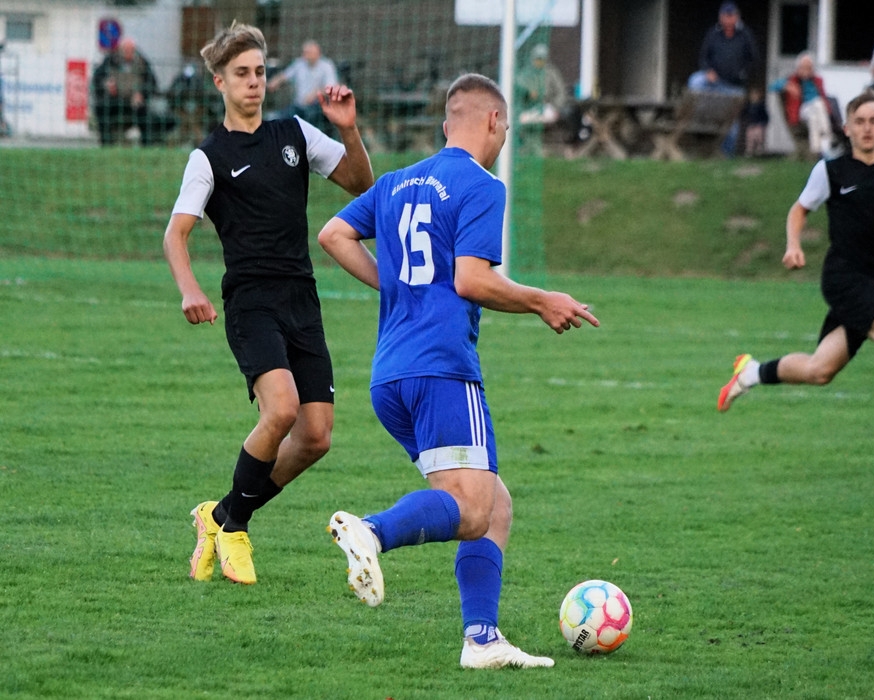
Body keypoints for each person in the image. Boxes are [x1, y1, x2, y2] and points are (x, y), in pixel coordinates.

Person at [316, 73, 599, 668]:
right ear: (494, 122)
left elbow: (333, 234)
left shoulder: (397, 182)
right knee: (471, 508)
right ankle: (371, 532)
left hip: (390, 376)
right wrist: (542, 300)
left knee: (493, 505)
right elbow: (472, 280)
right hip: (442, 370)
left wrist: (395, 286)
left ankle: (482, 640)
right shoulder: (482, 185)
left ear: (449, 124)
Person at [162, 22, 374, 585]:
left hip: (301, 297)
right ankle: (234, 530)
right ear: (220, 82)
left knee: (316, 436)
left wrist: (349, 129)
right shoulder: (208, 156)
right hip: (251, 302)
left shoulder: (295, 134)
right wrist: (190, 289)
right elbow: (175, 234)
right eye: (242, 74)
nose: (254, 82)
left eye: (259, 72)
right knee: (280, 411)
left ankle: (219, 515)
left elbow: (360, 183)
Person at [717, 90, 874, 468]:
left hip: (872, 282)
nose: (868, 128)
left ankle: (751, 373)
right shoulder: (830, 171)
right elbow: (799, 209)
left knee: (819, 370)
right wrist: (793, 245)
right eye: (860, 122)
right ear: (847, 128)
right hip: (843, 278)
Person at [91, 37, 167, 145]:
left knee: (145, 114)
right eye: (125, 50)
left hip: (134, 102)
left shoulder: (142, 62)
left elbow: (152, 83)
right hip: (114, 99)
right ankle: (106, 144)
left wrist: (141, 94)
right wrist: (106, 84)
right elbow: (97, 79)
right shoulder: (110, 60)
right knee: (102, 109)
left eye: (131, 50)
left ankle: (146, 145)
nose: (128, 53)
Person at [770, 51, 835, 157]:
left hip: (816, 112)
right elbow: (772, 86)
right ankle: (826, 137)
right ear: (798, 68)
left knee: (815, 114)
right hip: (802, 111)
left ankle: (816, 148)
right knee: (818, 106)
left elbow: (823, 97)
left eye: (809, 68)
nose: (806, 71)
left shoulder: (817, 80)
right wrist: (787, 86)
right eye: (803, 67)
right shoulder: (792, 80)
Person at [688, 2, 759, 95]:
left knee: (737, 98)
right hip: (715, 80)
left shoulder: (745, 35)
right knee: (695, 81)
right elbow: (703, 56)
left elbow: (753, 58)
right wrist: (708, 71)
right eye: (725, 16)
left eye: (731, 16)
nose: (728, 20)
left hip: (734, 84)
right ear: (720, 18)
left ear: (737, 17)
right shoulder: (713, 33)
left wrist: (743, 73)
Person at [268, 40, 339, 129]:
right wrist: (274, 83)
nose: (305, 55)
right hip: (298, 106)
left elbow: (331, 87)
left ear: (317, 53)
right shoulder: (299, 63)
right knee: (275, 119)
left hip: (318, 108)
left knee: (308, 123)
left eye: (308, 52)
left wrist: (315, 94)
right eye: (304, 52)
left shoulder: (326, 65)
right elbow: (284, 75)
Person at [741, 87, 769, 156]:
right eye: (753, 95)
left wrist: (764, 123)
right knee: (750, 139)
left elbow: (765, 115)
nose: (754, 97)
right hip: (751, 124)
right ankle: (749, 151)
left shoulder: (761, 106)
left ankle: (759, 151)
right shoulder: (748, 106)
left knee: (759, 138)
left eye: (756, 95)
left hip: (759, 124)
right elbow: (744, 114)